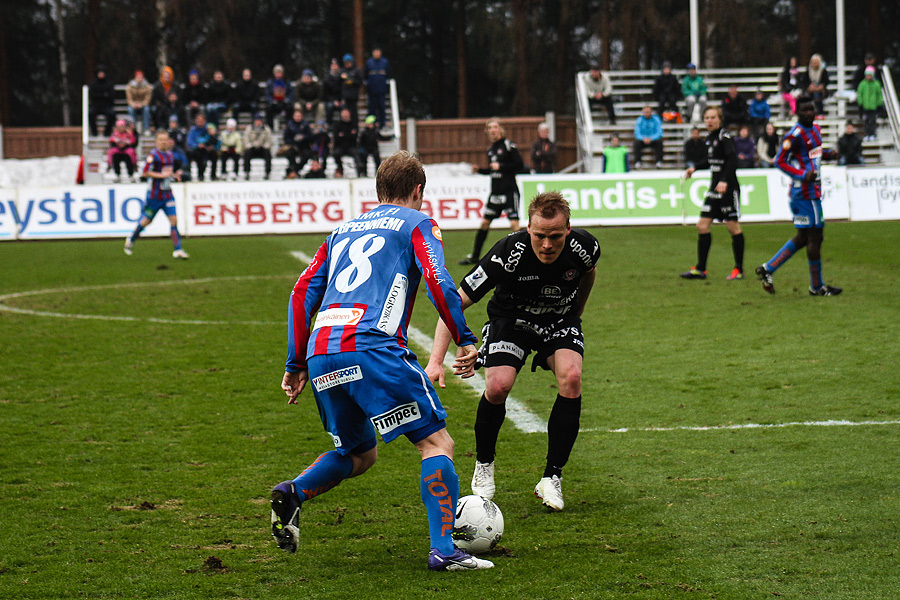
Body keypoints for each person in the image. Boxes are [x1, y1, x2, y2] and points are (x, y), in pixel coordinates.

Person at [270, 150, 493, 572]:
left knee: (360, 453)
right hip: (372, 347)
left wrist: (295, 361)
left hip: (322, 353)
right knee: (436, 443)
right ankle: (445, 549)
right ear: (418, 191)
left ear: (377, 191)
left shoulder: (341, 231)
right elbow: (437, 279)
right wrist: (464, 337)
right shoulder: (418, 223)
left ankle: (294, 493)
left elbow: (301, 293)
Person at [426, 191, 600, 512]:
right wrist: (436, 360)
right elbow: (455, 301)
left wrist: (577, 312)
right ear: (528, 229)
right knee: (498, 386)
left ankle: (552, 477)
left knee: (572, 378)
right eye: (539, 235)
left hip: (559, 319)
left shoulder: (585, 249)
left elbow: (588, 272)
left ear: (569, 230)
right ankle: (484, 464)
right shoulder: (508, 253)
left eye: (555, 236)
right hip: (512, 321)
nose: (547, 245)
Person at [755, 96, 841, 296]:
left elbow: (814, 154)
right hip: (804, 192)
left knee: (803, 237)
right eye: (804, 110)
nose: (809, 113)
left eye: (811, 109)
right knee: (815, 237)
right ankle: (817, 287)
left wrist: (828, 154)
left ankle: (768, 269)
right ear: (797, 112)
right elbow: (779, 161)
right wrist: (803, 175)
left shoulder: (816, 129)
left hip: (811, 191)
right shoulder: (794, 135)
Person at [680, 106, 745, 281]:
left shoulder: (725, 138)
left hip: (728, 188)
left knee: (733, 227)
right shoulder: (709, 139)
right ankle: (701, 269)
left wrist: (724, 180)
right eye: (706, 118)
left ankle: (738, 269)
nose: (709, 121)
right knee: (702, 225)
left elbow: (732, 161)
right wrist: (695, 167)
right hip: (714, 188)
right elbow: (710, 161)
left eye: (712, 117)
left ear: (720, 119)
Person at [459, 119, 524, 265]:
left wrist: (500, 166)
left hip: (509, 192)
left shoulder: (509, 145)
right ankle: (475, 257)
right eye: (489, 128)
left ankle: (524, 257)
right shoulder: (491, 149)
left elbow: (519, 165)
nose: (492, 130)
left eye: (495, 127)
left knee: (514, 225)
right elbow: (493, 171)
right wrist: (481, 170)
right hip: (495, 193)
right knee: (484, 224)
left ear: (501, 129)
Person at [124, 130, 188, 259]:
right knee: (146, 221)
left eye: (165, 139)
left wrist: (174, 176)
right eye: (161, 140)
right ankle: (131, 238)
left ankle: (178, 250)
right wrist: (161, 175)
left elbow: (168, 172)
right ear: (156, 142)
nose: (163, 142)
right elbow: (145, 172)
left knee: (174, 220)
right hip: (154, 196)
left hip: (167, 194)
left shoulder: (170, 155)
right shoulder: (153, 156)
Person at [364, 47, 391, 129]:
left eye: (378, 52)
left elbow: (388, 74)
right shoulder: (369, 63)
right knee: (371, 109)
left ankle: (382, 124)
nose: (376, 54)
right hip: (371, 90)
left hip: (381, 90)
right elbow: (365, 75)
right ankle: (371, 125)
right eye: (375, 52)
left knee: (382, 108)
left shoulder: (385, 62)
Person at [283, 108, 313, 179]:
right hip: (293, 146)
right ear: (293, 116)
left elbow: (310, 136)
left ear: (301, 116)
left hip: (304, 146)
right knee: (289, 153)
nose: (297, 117)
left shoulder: (305, 125)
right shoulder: (290, 125)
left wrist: (303, 137)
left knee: (307, 154)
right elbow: (286, 137)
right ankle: (293, 170)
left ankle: (295, 171)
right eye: (296, 116)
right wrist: (293, 141)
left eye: (299, 116)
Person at [242, 113, 273, 180]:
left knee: (267, 153)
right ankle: (247, 172)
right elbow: (246, 139)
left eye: (259, 120)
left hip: (262, 148)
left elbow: (269, 140)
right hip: (252, 148)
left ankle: (267, 172)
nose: (258, 122)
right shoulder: (249, 128)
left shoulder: (266, 129)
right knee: (247, 153)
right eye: (257, 120)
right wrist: (250, 146)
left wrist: (265, 146)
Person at [88, 65, 117, 137]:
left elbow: (111, 96)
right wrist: (103, 95)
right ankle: (94, 133)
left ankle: (107, 133)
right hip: (96, 105)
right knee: (91, 114)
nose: (101, 75)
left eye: (102, 73)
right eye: (99, 73)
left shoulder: (109, 83)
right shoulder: (93, 84)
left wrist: (101, 95)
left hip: (106, 105)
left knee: (112, 115)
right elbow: (93, 95)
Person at [856, 66, 883, 141]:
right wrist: (860, 103)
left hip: (873, 106)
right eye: (867, 75)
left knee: (873, 121)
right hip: (865, 106)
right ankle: (867, 134)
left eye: (870, 75)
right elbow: (860, 94)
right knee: (866, 121)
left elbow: (879, 94)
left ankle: (873, 134)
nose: (868, 76)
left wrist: (879, 103)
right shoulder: (862, 84)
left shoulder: (876, 84)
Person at [331, 107, 359, 178]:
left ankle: (360, 171)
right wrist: (349, 135)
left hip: (351, 146)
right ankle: (340, 168)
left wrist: (343, 135)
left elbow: (355, 136)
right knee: (336, 154)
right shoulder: (337, 125)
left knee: (357, 155)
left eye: (346, 114)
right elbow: (336, 137)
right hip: (340, 146)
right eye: (344, 114)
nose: (345, 115)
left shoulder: (353, 124)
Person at [186, 113, 211, 181]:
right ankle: (188, 174)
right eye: (198, 120)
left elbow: (211, 139)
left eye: (201, 121)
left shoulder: (207, 129)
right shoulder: (193, 130)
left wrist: (207, 145)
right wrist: (197, 145)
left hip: (206, 150)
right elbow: (190, 142)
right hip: (196, 150)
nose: (199, 122)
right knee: (191, 154)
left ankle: (205, 175)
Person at [340, 54, 363, 124]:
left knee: (353, 113)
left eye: (348, 62)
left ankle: (355, 127)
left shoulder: (356, 70)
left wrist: (351, 81)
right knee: (344, 113)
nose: (347, 64)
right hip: (344, 96)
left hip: (353, 95)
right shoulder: (342, 71)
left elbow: (360, 82)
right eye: (346, 63)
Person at [322, 58, 343, 126]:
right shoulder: (327, 78)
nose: (334, 67)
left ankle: (343, 125)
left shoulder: (342, 77)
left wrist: (342, 100)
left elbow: (344, 90)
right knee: (329, 107)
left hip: (340, 100)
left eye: (336, 65)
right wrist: (333, 100)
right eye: (333, 65)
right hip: (330, 100)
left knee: (344, 107)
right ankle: (329, 125)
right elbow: (325, 93)